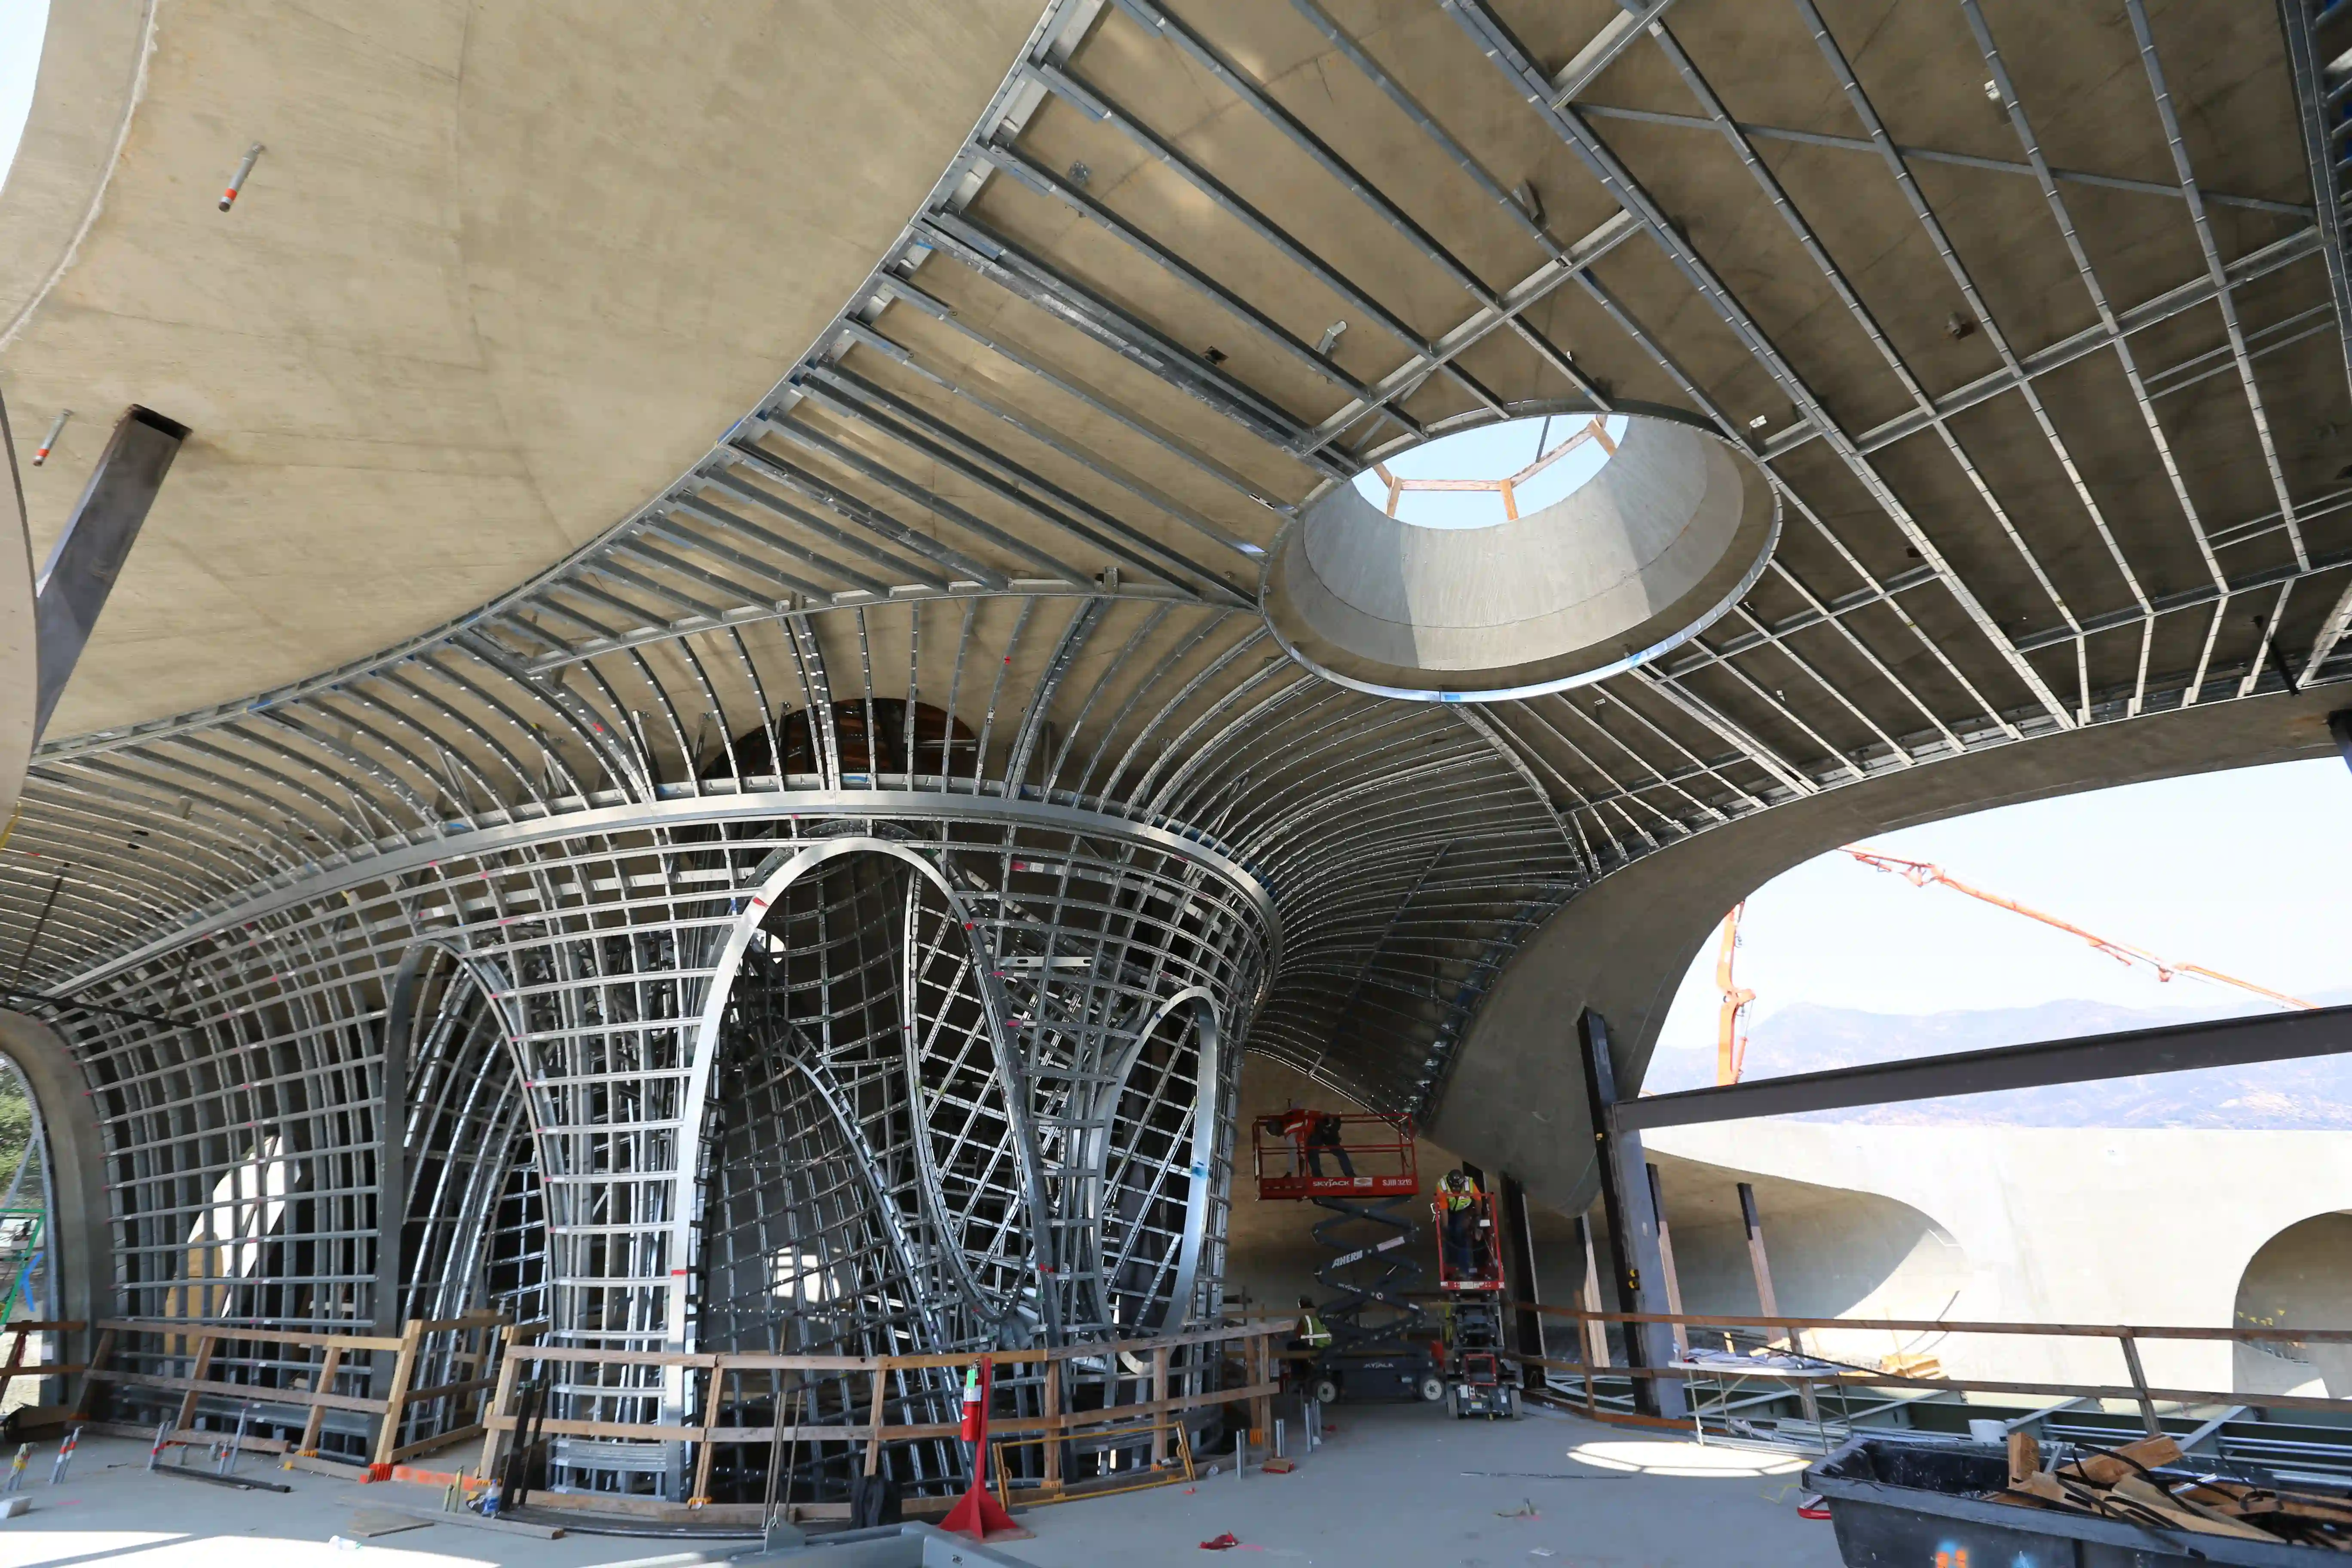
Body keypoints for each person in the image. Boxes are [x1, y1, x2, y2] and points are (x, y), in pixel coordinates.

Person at [1259, 1105, 1354, 1178]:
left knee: (1312, 1154)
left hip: (1316, 1130)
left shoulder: (1289, 1132)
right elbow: (1298, 1107)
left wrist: (1290, 1172)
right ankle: (1351, 1175)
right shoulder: (1290, 1113)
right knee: (1338, 1151)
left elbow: (1293, 1153)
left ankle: (1318, 1178)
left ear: (1278, 1131)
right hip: (1325, 1121)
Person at [1438, 1169, 1486, 1278]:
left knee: (1461, 1232)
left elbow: (1478, 1200)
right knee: (1449, 1233)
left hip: (1464, 1210)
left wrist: (1478, 1216)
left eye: (1457, 1189)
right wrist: (1445, 1228)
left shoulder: (1470, 1184)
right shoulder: (1442, 1186)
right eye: (1453, 1189)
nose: (1455, 1191)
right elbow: (1444, 1209)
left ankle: (1464, 1268)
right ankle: (1451, 1263)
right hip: (1450, 1211)